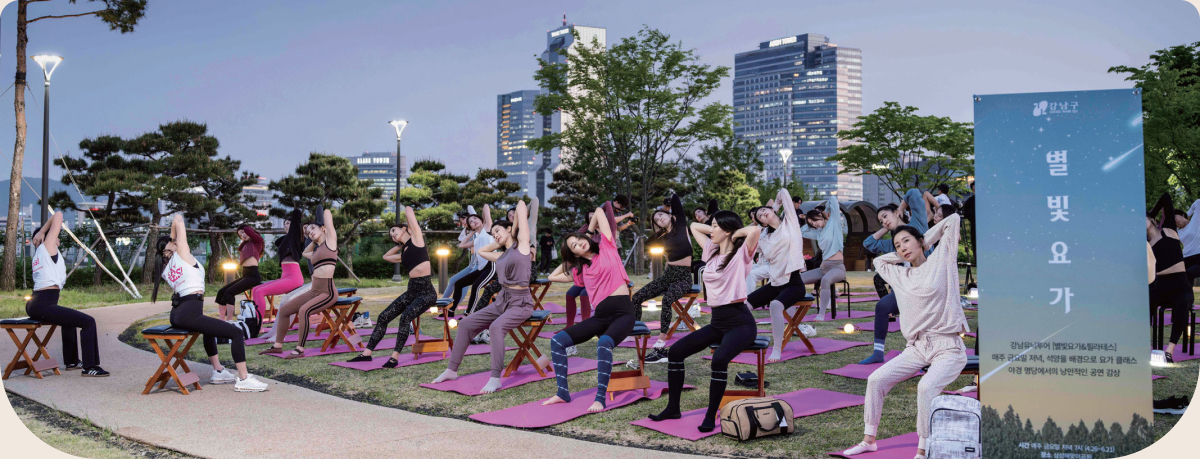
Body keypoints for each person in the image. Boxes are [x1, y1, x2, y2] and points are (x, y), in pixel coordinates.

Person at [842, 214, 969, 458]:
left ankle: (923, 449)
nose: (902, 248)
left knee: (925, 388)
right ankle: (869, 440)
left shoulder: (941, 260)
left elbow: (953, 219)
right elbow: (879, 261)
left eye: (906, 241)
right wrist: (908, 247)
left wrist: (925, 241)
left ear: (921, 241)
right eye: (898, 246)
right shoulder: (900, 275)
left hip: (948, 347)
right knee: (876, 380)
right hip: (917, 347)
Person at [647, 209, 761, 432]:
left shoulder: (742, 254)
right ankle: (673, 408)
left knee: (718, 360)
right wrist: (718, 230)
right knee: (677, 352)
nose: (712, 229)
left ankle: (711, 416)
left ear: (728, 231)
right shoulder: (711, 250)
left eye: (717, 226)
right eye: (713, 225)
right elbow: (693, 226)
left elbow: (755, 229)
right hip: (718, 322)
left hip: (741, 322)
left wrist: (731, 233)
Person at [153, 213, 268, 391]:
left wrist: (172, 234)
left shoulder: (167, 267)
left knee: (209, 330)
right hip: (189, 312)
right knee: (236, 333)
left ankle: (218, 371)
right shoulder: (181, 255)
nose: (175, 240)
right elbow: (178, 226)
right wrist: (177, 220)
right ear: (168, 248)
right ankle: (244, 379)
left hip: (180, 313)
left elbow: (174, 239)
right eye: (172, 241)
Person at [538, 204, 635, 412]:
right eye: (574, 246)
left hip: (623, 314)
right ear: (573, 254)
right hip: (600, 316)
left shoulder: (608, 247)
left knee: (603, 343)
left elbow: (601, 211)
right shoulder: (581, 271)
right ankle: (562, 393)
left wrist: (588, 233)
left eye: (579, 240)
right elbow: (551, 276)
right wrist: (569, 257)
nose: (579, 244)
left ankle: (600, 398)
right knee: (557, 341)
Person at [432, 201, 535, 394]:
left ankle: (495, 377)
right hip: (502, 300)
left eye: (498, 230)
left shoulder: (522, 247)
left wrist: (513, 232)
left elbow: (521, 205)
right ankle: (451, 370)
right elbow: (481, 251)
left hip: (520, 303)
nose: (494, 234)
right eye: (493, 232)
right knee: (465, 324)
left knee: (496, 327)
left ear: (510, 229)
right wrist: (500, 240)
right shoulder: (501, 255)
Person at [347, 206, 436, 367]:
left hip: (426, 292)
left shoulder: (417, 239)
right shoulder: (405, 251)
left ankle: (394, 357)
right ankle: (367, 353)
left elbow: (409, 211)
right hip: (412, 290)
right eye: (391, 235)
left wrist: (408, 229)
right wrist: (400, 243)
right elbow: (386, 256)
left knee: (405, 317)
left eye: (394, 231)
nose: (392, 235)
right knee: (383, 317)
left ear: (404, 228)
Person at [857, 188, 936, 365]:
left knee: (923, 319)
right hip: (907, 287)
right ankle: (878, 353)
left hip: (928, 283)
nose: (883, 221)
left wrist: (901, 207)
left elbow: (914, 193)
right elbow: (868, 243)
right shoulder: (892, 244)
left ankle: (930, 356)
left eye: (885, 216)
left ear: (895, 213)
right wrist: (886, 229)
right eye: (880, 220)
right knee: (882, 306)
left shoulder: (917, 225)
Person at [26, 211, 108, 377]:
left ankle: (71, 361)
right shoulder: (47, 246)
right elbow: (58, 214)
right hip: (43, 303)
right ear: (48, 237)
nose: (58, 238)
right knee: (88, 322)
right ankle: (89, 367)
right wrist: (42, 231)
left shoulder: (41, 254)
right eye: (55, 235)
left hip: (39, 303)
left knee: (68, 320)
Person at [260, 206, 339, 359]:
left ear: (322, 228)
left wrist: (324, 225)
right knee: (284, 310)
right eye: (307, 231)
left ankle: (299, 349)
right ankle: (277, 346)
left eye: (312, 228)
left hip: (327, 292)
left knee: (304, 310)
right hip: (314, 291)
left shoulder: (331, 242)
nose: (309, 232)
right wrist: (315, 239)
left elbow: (328, 215)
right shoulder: (315, 250)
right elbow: (304, 253)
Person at [632, 193, 696, 364]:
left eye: (661, 215)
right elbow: (647, 244)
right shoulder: (663, 237)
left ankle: (661, 339)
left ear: (670, 215)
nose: (659, 218)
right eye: (656, 219)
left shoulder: (681, 225)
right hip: (668, 276)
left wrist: (667, 207)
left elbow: (676, 198)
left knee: (667, 300)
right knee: (636, 297)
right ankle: (635, 329)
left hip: (683, 277)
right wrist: (659, 230)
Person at [747, 188, 808, 362]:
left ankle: (777, 349)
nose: (763, 214)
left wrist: (776, 204)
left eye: (764, 210)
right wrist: (757, 225)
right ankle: (745, 337)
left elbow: (784, 192)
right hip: (775, 283)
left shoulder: (790, 224)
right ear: (761, 223)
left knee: (775, 305)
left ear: (772, 210)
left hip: (794, 283)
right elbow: (747, 243)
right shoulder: (764, 237)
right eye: (759, 215)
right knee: (745, 305)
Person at [1148, 193, 1195, 363]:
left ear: (1151, 219)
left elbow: (1166, 197)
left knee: (1183, 302)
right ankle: (1141, 344)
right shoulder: (1145, 241)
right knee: (1144, 299)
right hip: (1161, 286)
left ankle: (1169, 350)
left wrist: (1152, 212)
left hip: (1180, 285)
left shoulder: (1168, 228)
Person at [252, 209, 305, 323]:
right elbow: (278, 242)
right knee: (255, 289)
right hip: (285, 276)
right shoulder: (286, 240)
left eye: (289, 223)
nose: (286, 225)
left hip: (294, 277)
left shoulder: (297, 238)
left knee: (260, 292)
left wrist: (295, 207)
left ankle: (258, 324)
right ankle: (254, 319)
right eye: (285, 223)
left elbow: (295, 223)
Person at [800, 196, 848, 320]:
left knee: (825, 280)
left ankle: (821, 313)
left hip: (837, 267)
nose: (814, 224)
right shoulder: (819, 232)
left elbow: (833, 199)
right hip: (823, 267)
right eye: (811, 224)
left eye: (814, 220)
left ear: (820, 215)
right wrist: (807, 219)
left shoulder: (834, 223)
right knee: (798, 279)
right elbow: (802, 231)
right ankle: (795, 308)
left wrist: (825, 211)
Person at [447, 209, 493, 314]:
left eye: (475, 219)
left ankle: (468, 313)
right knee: (458, 283)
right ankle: (451, 310)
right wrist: (472, 231)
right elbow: (462, 244)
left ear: (481, 220)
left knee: (475, 286)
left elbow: (486, 207)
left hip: (491, 266)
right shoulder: (476, 239)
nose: (473, 221)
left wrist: (483, 220)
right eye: (471, 222)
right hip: (482, 268)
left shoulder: (487, 230)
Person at [215, 224, 264, 321]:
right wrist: (243, 234)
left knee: (229, 293)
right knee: (221, 292)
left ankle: (229, 321)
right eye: (240, 235)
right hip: (245, 275)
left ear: (249, 230)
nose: (243, 235)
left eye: (244, 232)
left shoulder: (258, 241)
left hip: (253, 276)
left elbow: (248, 231)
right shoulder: (245, 244)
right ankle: (221, 320)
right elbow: (241, 246)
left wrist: (244, 228)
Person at [442, 208, 478, 300]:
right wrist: (467, 226)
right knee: (452, 280)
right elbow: (460, 238)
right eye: (461, 222)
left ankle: (454, 305)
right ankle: (442, 303)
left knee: (464, 282)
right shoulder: (470, 232)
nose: (463, 223)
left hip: (480, 264)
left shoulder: (479, 230)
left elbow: (471, 209)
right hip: (472, 264)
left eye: (464, 220)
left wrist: (470, 219)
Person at [1175, 198, 1200, 283]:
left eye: (1175, 217)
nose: (1176, 221)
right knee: (1179, 279)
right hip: (1186, 258)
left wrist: (1188, 214)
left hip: (1198, 257)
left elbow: (1198, 202)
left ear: (1182, 214)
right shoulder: (1178, 231)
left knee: (1189, 274)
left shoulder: (1195, 221)